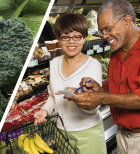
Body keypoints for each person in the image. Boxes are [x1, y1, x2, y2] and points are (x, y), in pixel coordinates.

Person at [67, 0, 140, 154]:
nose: (104, 35)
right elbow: (120, 91)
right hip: (123, 136)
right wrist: (99, 90)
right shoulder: (117, 55)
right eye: (101, 31)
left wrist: (101, 98)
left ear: (127, 21)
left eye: (108, 29)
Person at [33, 13, 106, 154]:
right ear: (59, 39)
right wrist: (44, 111)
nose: (71, 42)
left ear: (84, 37)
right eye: (65, 37)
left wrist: (77, 96)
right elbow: (53, 96)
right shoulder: (54, 64)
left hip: (88, 134)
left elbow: (93, 108)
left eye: (77, 36)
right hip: (62, 133)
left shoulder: (93, 65)